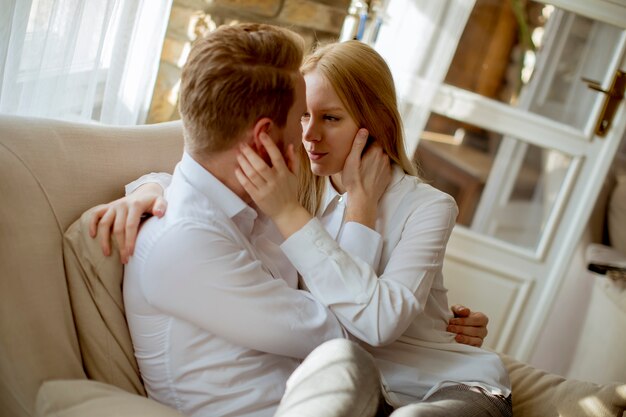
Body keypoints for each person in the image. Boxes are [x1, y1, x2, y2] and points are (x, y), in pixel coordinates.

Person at [92, 38, 501, 415]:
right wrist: (149, 190)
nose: (308, 134)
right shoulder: (294, 191)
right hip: (358, 389)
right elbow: (208, 191)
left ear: (374, 121)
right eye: (303, 116)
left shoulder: (427, 206)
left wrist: (360, 210)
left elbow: (374, 325)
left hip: (442, 383)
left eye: (330, 118)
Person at [112, 23, 383, 417]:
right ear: (264, 138)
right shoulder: (188, 243)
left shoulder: (245, 204)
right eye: (300, 117)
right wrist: (362, 205)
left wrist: (146, 186)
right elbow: (350, 334)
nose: (307, 137)